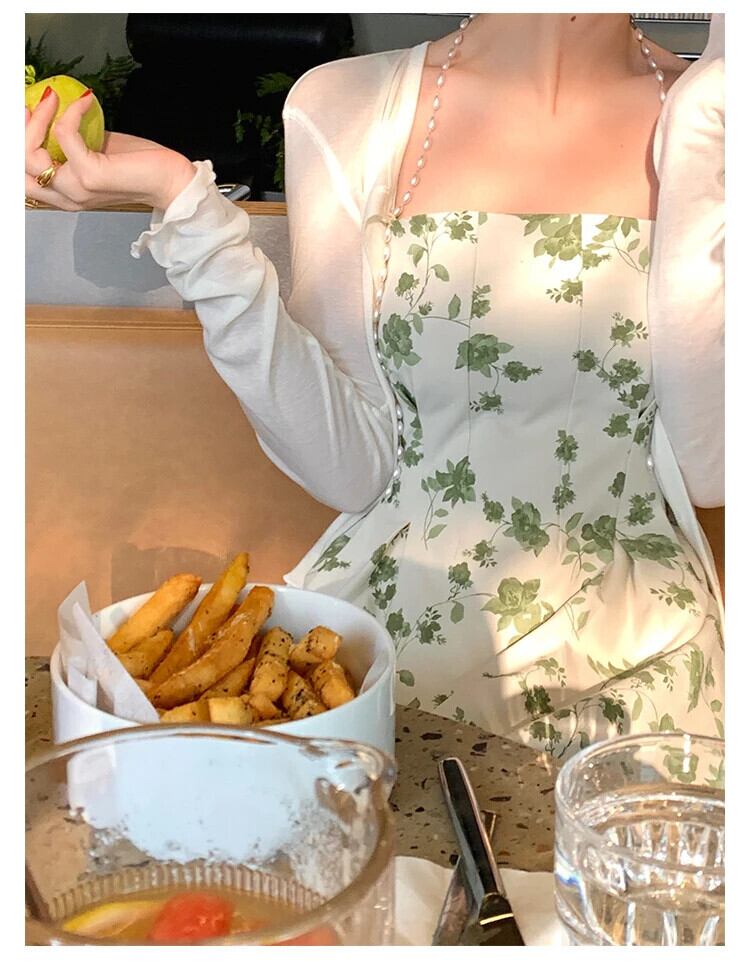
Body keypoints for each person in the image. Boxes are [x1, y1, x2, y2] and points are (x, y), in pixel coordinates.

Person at [25, 13, 724, 757]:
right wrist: (182, 204)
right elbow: (353, 466)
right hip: (391, 660)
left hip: (649, 672)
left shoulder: (714, 120)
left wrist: (708, 121)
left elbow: (708, 470)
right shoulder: (346, 106)